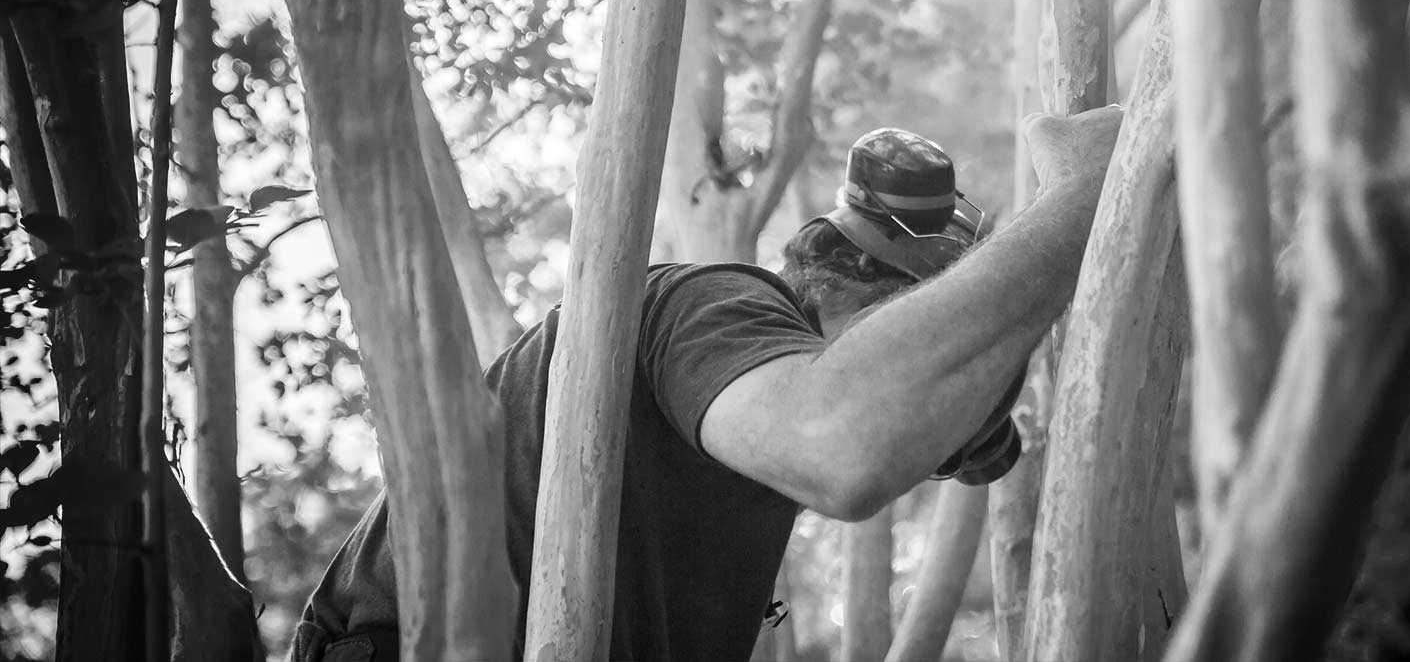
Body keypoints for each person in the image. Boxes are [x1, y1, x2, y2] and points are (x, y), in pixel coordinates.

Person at [286, 107, 1122, 662]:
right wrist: (1084, 196)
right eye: (915, 338)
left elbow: (956, 441)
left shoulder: (730, 438)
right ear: (848, 286)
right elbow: (844, 444)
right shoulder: (702, 303)